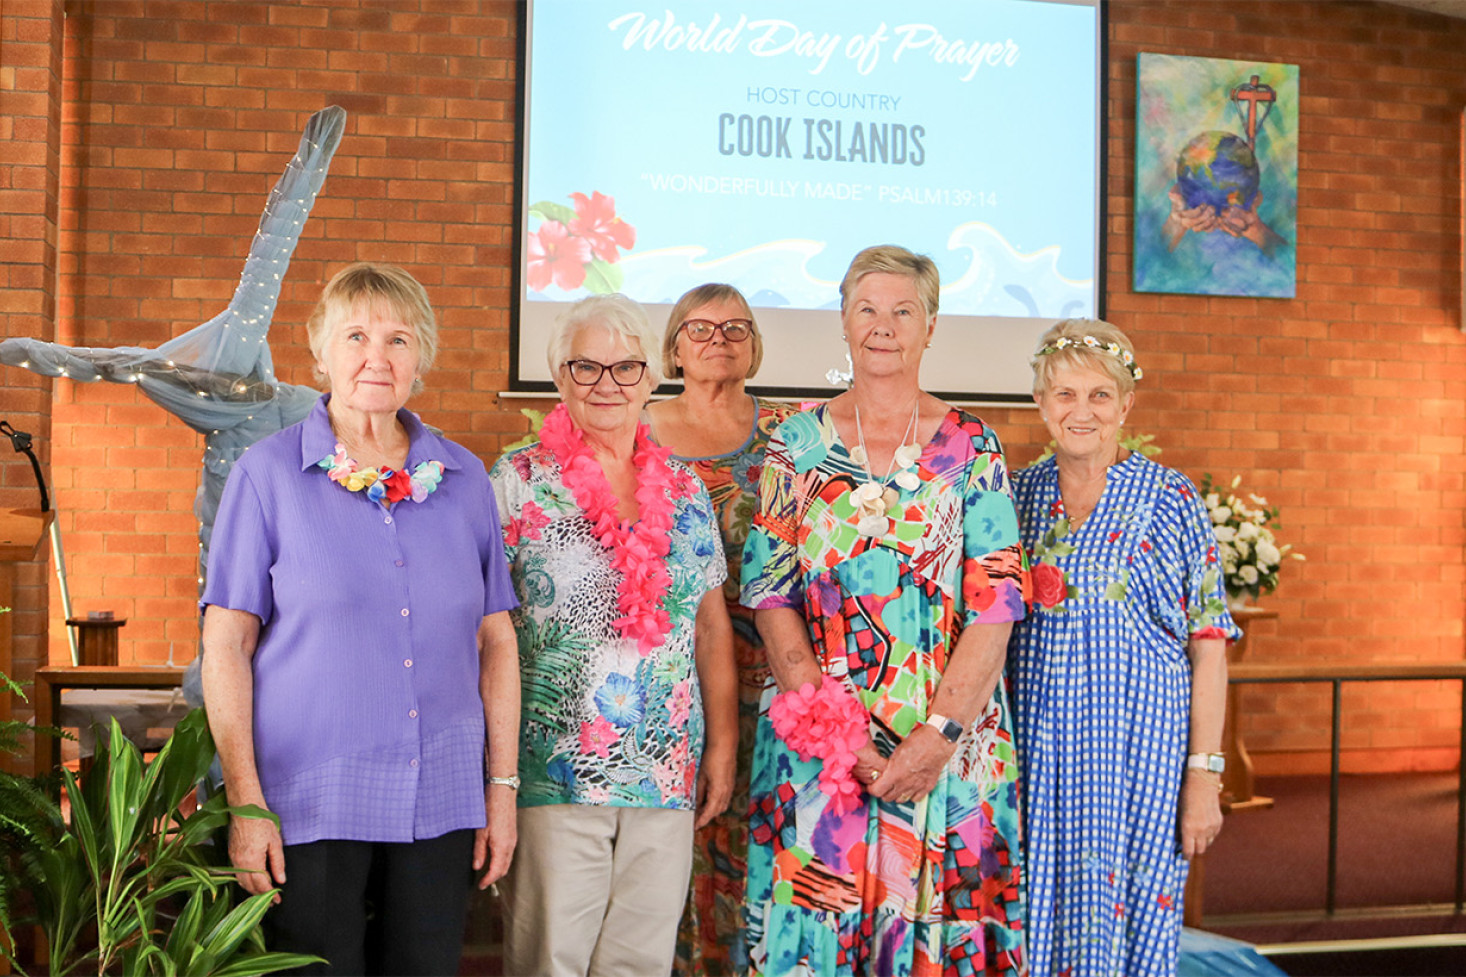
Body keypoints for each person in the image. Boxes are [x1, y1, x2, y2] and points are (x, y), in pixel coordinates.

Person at [200, 262, 521, 976]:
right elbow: (225, 644)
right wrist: (246, 801)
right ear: (320, 355)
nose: (377, 356)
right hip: (308, 801)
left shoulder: (466, 481)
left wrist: (501, 790)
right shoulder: (267, 475)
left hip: (440, 797)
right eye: (356, 336)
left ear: (422, 360)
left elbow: (497, 642)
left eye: (398, 339)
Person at [741, 245, 1029, 976]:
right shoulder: (793, 446)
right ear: (843, 320)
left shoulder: (974, 447)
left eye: (904, 310)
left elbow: (996, 605)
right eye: (867, 308)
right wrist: (839, 738)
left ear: (930, 327)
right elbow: (771, 596)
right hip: (819, 748)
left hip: (948, 747)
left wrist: (938, 735)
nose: (884, 325)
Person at [490, 293, 738, 977]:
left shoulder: (686, 490)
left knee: (640, 964)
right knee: (551, 962)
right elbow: (484, 632)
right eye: (586, 367)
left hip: (664, 771)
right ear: (559, 377)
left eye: (625, 367)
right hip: (554, 772)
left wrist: (720, 743)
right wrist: (496, 775)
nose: (606, 384)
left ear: (651, 377)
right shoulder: (517, 482)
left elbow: (711, 626)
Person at [1008, 318, 1238, 977]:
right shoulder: (1017, 497)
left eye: (1099, 394)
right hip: (1039, 754)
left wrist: (1205, 773)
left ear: (1127, 403)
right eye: (1064, 394)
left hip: (1141, 754)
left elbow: (1211, 645)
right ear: (1040, 403)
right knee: (1035, 909)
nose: (1081, 411)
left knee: (1134, 919)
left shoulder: (1171, 499)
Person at [645, 284, 799, 975]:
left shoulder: (794, 435)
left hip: (772, 675)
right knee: (671, 846)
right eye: (701, 327)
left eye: (736, 326)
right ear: (674, 345)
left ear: (755, 345)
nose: (719, 338)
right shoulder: (634, 429)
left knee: (758, 845)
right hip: (663, 680)